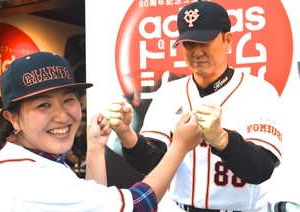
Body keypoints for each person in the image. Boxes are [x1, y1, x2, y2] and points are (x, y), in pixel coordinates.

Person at [105, 1, 282, 211]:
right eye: (189, 43)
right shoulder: (169, 93)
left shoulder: (259, 92)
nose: (196, 52)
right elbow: (151, 162)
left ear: (227, 40)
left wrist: (222, 139)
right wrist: (126, 134)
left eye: (204, 41)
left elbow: (261, 169)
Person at [0, 51, 202, 211]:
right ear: (13, 118)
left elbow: (90, 204)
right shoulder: (32, 179)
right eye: (44, 105)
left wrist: (96, 148)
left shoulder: (24, 158)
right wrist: (179, 147)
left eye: (68, 100)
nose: (62, 116)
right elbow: (138, 204)